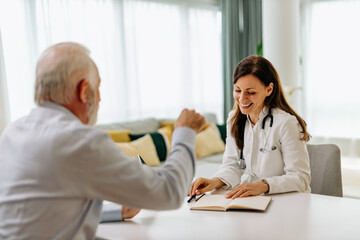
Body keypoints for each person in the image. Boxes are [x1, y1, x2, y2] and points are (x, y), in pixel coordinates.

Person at [0, 42, 206, 239]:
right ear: (83, 90)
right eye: (98, 88)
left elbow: (38, 211)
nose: (100, 99)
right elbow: (168, 192)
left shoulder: (13, 133)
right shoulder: (81, 142)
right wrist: (184, 132)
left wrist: (115, 211)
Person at [190, 55, 311, 199]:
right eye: (237, 90)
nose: (242, 99)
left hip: (286, 201)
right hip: (252, 200)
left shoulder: (286, 123)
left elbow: (301, 177)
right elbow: (232, 165)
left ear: (269, 89)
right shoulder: (234, 119)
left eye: (251, 92)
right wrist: (214, 181)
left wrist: (263, 185)